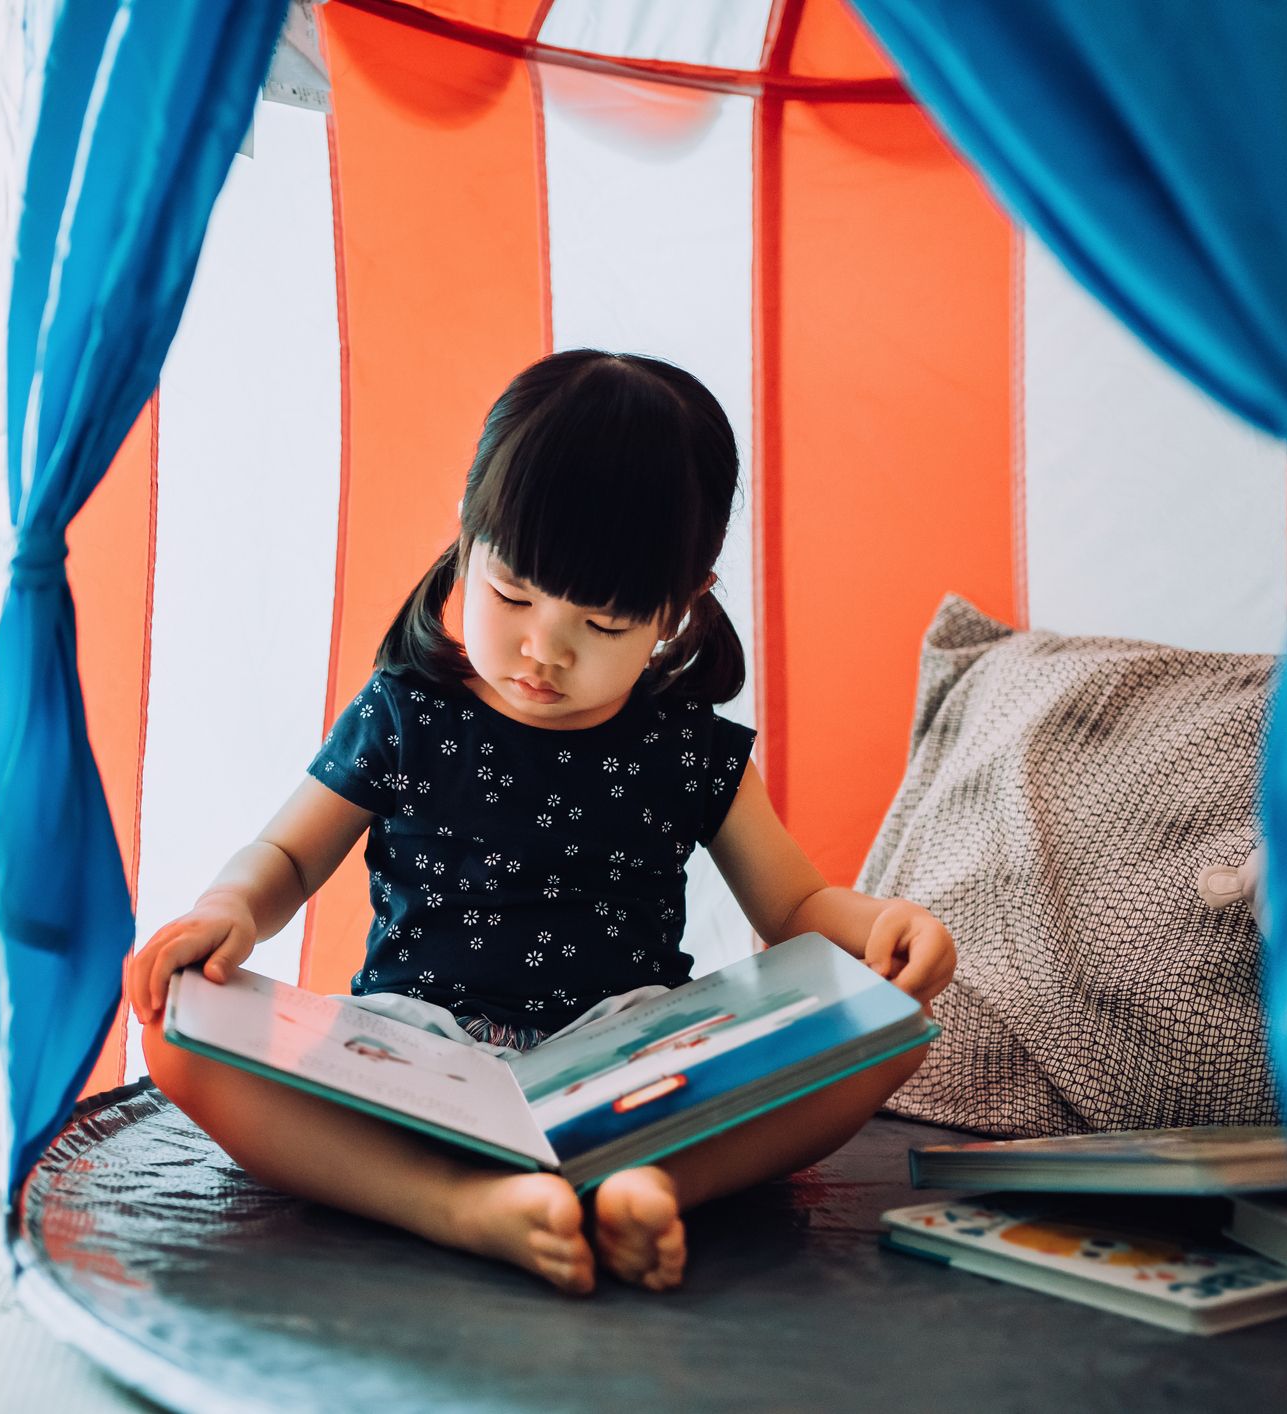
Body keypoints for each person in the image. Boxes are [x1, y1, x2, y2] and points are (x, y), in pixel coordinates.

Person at [124, 349, 956, 1295]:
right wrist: (229, 905)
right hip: (415, 1052)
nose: (540, 649)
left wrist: (880, 929)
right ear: (468, 538)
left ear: (678, 612)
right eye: (512, 593)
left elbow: (795, 904)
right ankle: (456, 1205)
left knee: (893, 1033)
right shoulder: (406, 711)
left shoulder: (688, 748)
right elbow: (285, 852)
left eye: (601, 625)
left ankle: (637, 1185)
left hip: (635, 1062)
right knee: (178, 1042)